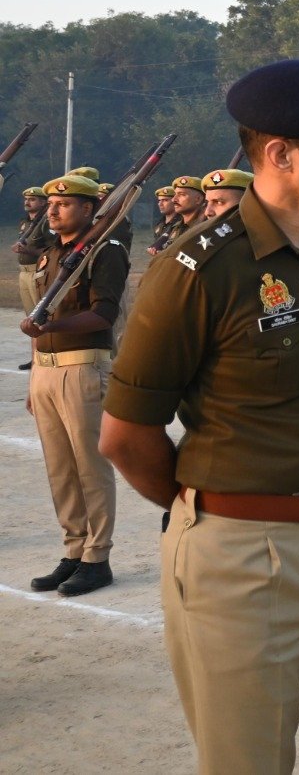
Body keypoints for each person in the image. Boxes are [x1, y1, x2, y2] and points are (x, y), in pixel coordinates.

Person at [99, 59, 299, 774]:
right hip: (243, 560)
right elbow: (125, 435)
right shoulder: (199, 271)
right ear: (281, 154)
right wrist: (214, 511)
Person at [21, 173, 129, 597]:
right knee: (61, 469)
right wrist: (34, 376)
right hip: (47, 369)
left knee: (89, 466)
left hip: (82, 367)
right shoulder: (53, 254)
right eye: (50, 204)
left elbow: (104, 314)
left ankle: (97, 557)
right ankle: (73, 549)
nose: (53, 210)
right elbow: (37, 327)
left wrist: (51, 323)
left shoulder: (106, 251)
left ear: (88, 209)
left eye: (64, 204)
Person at [15, 184, 50, 313]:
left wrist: (28, 251)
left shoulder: (47, 223)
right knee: (29, 314)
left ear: (43, 203)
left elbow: (52, 251)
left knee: (39, 312)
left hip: (37, 271)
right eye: (26, 199)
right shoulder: (24, 223)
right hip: (23, 272)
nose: (27, 202)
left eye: (32, 199)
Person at [148, 185, 181, 255]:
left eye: (165, 200)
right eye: (159, 200)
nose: (160, 204)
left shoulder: (182, 223)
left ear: (175, 201)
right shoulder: (159, 224)